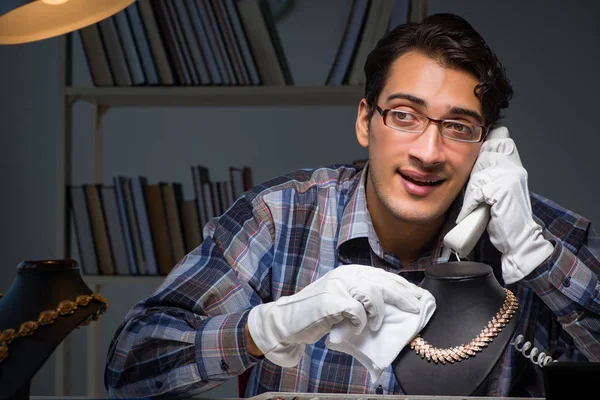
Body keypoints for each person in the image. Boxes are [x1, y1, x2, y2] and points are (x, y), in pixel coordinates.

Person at [104, 13, 600, 398]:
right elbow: (129, 365)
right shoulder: (280, 216)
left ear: (488, 147)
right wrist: (265, 328)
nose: (428, 152)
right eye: (405, 116)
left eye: (458, 127)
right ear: (366, 121)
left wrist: (537, 258)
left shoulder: (534, 234)